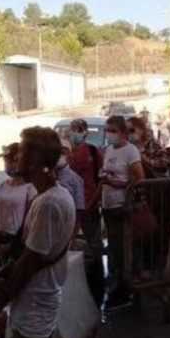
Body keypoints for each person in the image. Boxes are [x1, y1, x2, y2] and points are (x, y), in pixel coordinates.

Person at [0, 126, 76, 338]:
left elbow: (30, 263)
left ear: (36, 160)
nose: (16, 157)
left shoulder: (48, 202)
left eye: (22, 151)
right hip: (41, 302)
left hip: (35, 305)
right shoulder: (52, 195)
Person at [97, 116, 144, 308]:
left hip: (122, 206)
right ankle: (117, 287)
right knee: (114, 249)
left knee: (124, 250)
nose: (109, 134)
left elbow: (139, 179)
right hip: (108, 205)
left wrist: (117, 183)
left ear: (123, 132)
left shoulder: (130, 151)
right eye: (107, 130)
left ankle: (127, 289)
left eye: (113, 130)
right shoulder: (109, 149)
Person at [67, 119, 106, 307]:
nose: (74, 132)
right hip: (73, 207)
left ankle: (97, 284)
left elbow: (101, 179)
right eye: (72, 129)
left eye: (78, 129)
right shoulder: (68, 154)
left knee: (93, 244)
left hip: (89, 205)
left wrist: (93, 201)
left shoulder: (92, 152)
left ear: (85, 132)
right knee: (74, 243)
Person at [0, 143, 38, 265]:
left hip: (18, 241)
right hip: (1, 238)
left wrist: (16, 242)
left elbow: (29, 219)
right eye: (6, 161)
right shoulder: (4, 185)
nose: (8, 165)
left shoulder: (30, 188)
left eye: (11, 161)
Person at [56, 138, 85, 234]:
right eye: (57, 152)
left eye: (63, 153)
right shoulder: (44, 175)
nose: (59, 155)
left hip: (65, 227)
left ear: (70, 155)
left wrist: (72, 235)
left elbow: (79, 210)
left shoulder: (76, 180)